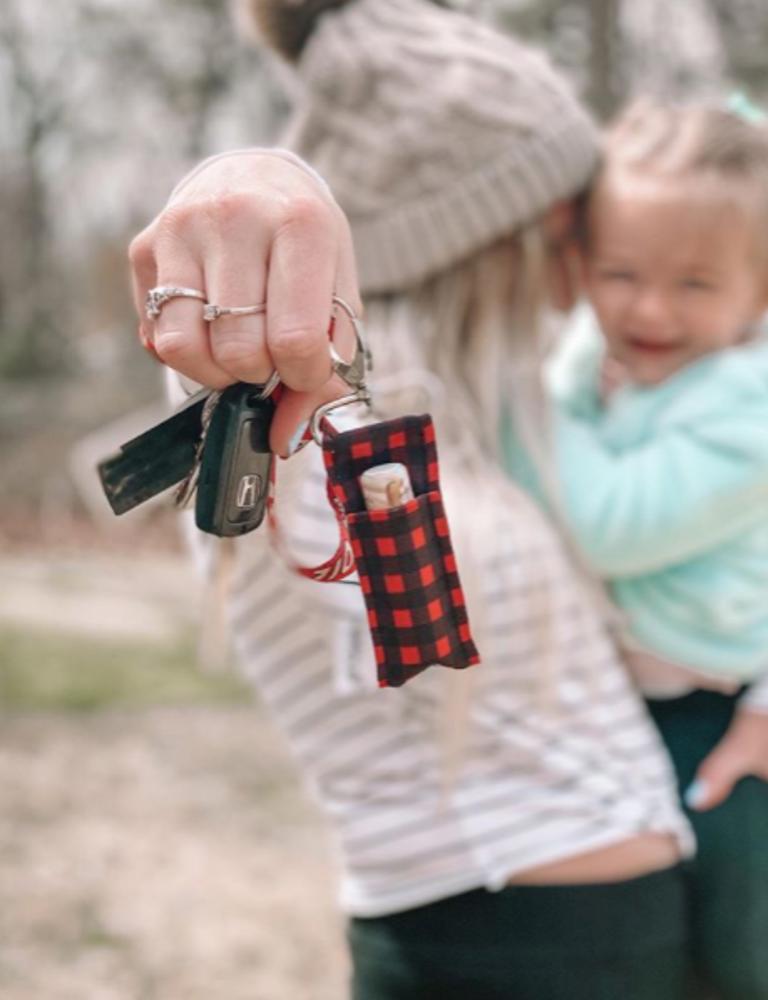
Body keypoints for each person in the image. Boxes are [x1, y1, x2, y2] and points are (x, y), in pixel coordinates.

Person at [129, 2, 695, 997]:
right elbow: (235, 378)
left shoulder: (471, 427)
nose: (578, 272)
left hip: (583, 937)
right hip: (510, 944)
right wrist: (255, 181)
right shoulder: (321, 415)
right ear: (480, 236)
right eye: (561, 225)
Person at [505, 97, 768, 997]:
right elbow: (570, 378)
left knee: (740, 954)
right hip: (618, 702)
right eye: (621, 273)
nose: (651, 308)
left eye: (696, 284)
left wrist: (509, 399)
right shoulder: (605, 361)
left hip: (722, 718)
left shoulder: (749, 407)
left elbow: (604, 524)